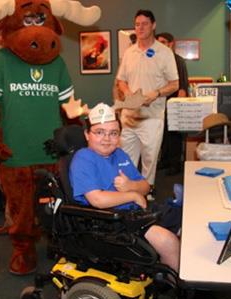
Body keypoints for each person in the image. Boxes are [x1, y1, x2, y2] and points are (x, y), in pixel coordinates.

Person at [69, 103, 180, 272]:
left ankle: (168, 270)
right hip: (110, 221)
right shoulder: (83, 159)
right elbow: (97, 199)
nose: (107, 139)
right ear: (87, 135)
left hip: (136, 212)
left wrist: (131, 186)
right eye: (99, 132)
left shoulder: (119, 154)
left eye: (113, 133)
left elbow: (145, 186)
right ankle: (179, 287)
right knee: (167, 241)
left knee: (182, 218)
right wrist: (132, 195)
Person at [116, 10, 179, 199]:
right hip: (129, 116)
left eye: (144, 23)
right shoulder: (129, 52)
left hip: (152, 116)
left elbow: (175, 84)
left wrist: (157, 93)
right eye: (137, 24)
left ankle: (146, 195)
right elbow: (121, 80)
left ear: (153, 25)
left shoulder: (165, 53)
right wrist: (127, 92)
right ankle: (125, 195)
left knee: (149, 160)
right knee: (125, 159)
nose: (140, 27)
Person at [156, 32, 189, 176]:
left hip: (174, 104)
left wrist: (177, 108)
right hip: (160, 104)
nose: (160, 45)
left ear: (171, 44)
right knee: (163, 135)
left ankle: (175, 165)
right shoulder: (159, 60)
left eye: (163, 42)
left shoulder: (178, 60)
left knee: (174, 136)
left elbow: (182, 86)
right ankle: (164, 161)